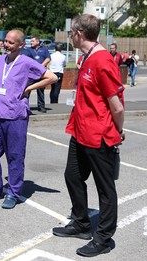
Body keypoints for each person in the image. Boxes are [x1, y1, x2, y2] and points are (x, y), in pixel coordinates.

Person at [52, 14, 125, 257]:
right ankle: (82, 224)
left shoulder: (102, 61)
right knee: (72, 176)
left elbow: (117, 106)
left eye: (71, 32)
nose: (70, 35)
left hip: (99, 135)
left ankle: (103, 238)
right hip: (80, 132)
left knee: (105, 189)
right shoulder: (88, 57)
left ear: (79, 34)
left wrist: (118, 130)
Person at [0, 30, 57, 209]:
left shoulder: (27, 62)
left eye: (11, 43)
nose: (6, 45)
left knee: (15, 156)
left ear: (21, 45)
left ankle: (13, 192)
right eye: (5, 41)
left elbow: (52, 77)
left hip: (16, 117)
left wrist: (29, 88)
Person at [28, 36, 51, 113]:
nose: (31, 42)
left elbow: (48, 58)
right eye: (31, 41)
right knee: (28, 89)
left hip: (41, 73)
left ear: (37, 42)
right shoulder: (28, 50)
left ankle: (41, 106)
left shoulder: (44, 50)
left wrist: (40, 66)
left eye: (33, 41)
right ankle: (25, 107)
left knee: (40, 90)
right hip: (31, 73)